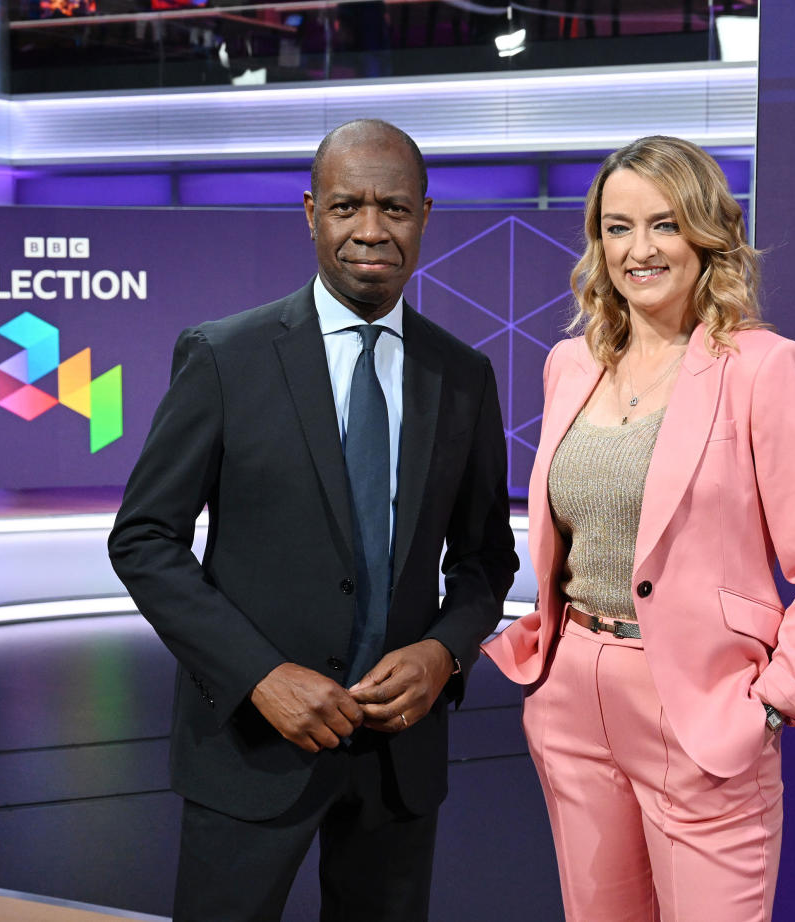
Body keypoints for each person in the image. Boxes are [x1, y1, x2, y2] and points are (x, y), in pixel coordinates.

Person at [108, 118, 518, 922]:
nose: (371, 232)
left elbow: (483, 560)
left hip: (398, 760)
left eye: (394, 210)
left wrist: (443, 654)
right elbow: (144, 539)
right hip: (253, 748)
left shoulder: (461, 375)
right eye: (346, 207)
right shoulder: (225, 356)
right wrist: (258, 674)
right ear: (309, 212)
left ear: (424, 215)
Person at [483, 135, 795, 922]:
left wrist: (767, 703)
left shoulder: (763, 367)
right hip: (569, 693)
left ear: (704, 233)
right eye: (616, 227)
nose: (639, 249)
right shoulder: (570, 364)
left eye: (662, 224)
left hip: (697, 705)